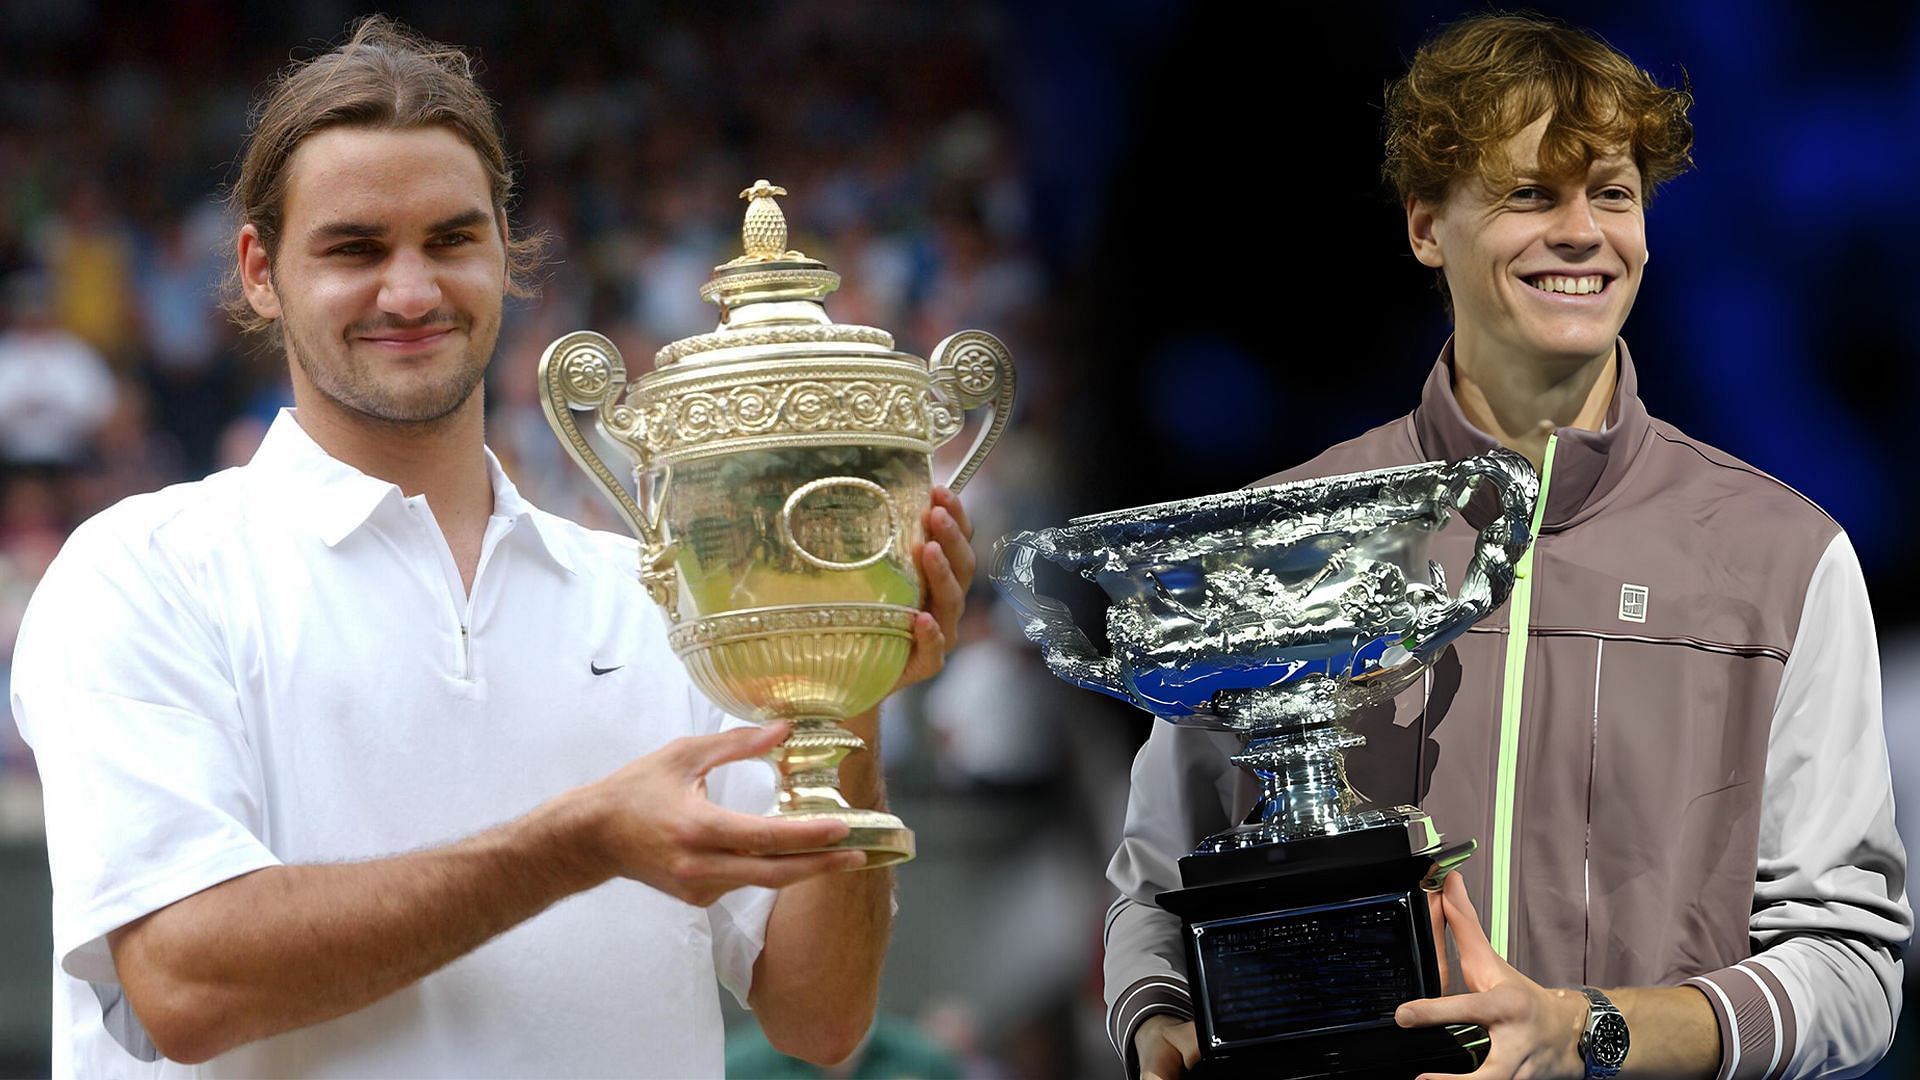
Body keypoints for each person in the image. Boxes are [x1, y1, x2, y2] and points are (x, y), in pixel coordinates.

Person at [9, 17, 978, 1077]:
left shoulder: (662, 591)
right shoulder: (142, 572)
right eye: (355, 248)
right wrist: (575, 845)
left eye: (451, 240)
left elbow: (819, 1018)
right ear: (258, 270)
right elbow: (188, 982)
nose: (413, 291)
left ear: (505, 255)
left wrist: (849, 668)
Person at [1103, 13, 1910, 1080]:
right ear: (1427, 227)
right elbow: (1157, 880)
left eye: (1612, 194)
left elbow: (1855, 971)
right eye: (1531, 193)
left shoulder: (1784, 558)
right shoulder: (1277, 538)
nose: (1581, 233)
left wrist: (1588, 1034)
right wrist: (1157, 1021)